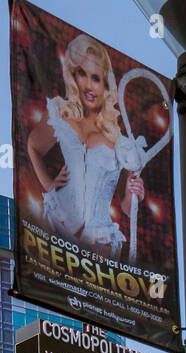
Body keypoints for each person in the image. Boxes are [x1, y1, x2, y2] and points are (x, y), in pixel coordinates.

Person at [25, 34, 150, 259]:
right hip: (57, 227)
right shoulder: (62, 113)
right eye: (82, 74)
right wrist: (49, 185)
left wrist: (135, 193)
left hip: (98, 240)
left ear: (105, 84)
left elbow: (125, 206)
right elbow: (33, 145)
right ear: (73, 75)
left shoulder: (119, 141)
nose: (89, 86)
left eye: (96, 78)